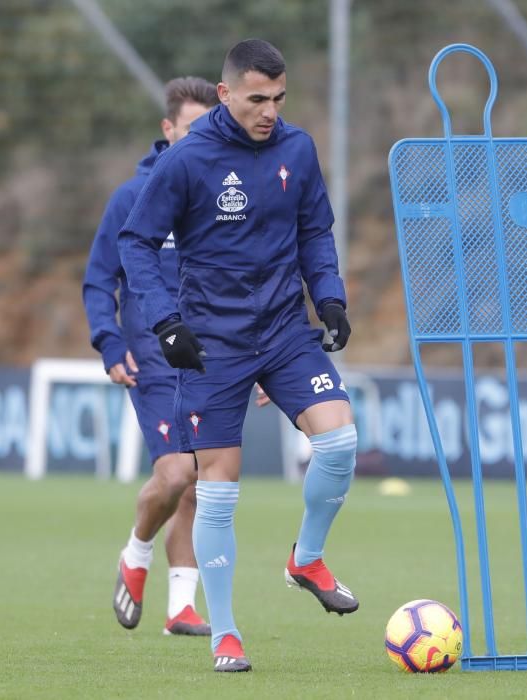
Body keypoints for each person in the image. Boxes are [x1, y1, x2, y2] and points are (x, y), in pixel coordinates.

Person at [118, 39, 358, 672]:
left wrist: (328, 297)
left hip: (283, 329)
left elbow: (314, 230)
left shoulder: (297, 149)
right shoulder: (189, 159)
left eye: (279, 98)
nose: (270, 111)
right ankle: (226, 634)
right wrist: (166, 322)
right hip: (214, 345)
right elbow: (136, 242)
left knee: (340, 441)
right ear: (225, 95)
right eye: (257, 99)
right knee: (217, 490)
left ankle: (306, 558)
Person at [83, 77, 220, 637]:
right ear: (167, 130)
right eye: (191, 127)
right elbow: (99, 280)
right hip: (154, 359)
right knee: (176, 472)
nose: (201, 139)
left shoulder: (224, 192)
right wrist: (109, 342)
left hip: (214, 357)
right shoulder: (130, 198)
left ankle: (181, 607)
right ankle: (135, 554)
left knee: (202, 483)